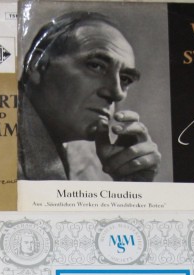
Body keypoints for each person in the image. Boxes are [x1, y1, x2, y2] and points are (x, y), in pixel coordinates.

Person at [19, 11, 160, 182]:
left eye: (125, 79)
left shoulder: (95, 164)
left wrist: (133, 185)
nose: (117, 93)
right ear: (38, 64)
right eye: (96, 66)